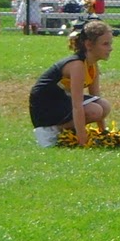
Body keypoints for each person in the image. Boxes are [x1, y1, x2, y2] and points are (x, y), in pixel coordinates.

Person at [29, 19, 114, 148]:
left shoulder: (92, 65)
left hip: (61, 100)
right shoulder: (77, 65)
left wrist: (103, 132)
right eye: (105, 44)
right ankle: (51, 131)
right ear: (89, 45)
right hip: (45, 105)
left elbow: (95, 96)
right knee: (94, 110)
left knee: (103, 105)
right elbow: (77, 106)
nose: (110, 48)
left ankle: (66, 129)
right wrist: (83, 142)